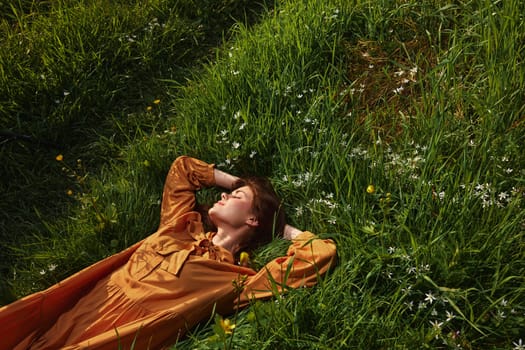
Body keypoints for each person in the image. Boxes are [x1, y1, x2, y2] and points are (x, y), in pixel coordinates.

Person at [0, 156, 336, 350]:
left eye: (235, 198)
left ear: (252, 219)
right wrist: (236, 185)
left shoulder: (235, 281)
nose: (223, 197)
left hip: (123, 332)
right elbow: (183, 169)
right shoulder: (182, 224)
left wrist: (281, 228)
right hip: (93, 301)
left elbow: (320, 255)